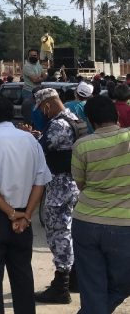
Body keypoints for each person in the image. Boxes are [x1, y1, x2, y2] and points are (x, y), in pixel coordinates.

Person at [0, 94, 52, 314]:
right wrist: (26, 215)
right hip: (23, 216)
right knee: (22, 276)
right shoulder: (29, 140)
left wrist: (10, 213)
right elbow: (40, 182)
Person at [71, 96, 130, 313]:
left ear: (90, 120)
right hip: (124, 225)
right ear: (116, 116)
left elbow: (80, 183)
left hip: (86, 222)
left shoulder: (82, 146)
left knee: (92, 287)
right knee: (122, 284)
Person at [31, 89, 82, 304]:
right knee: (70, 231)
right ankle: (74, 278)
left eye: (42, 109)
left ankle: (60, 287)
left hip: (60, 187)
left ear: (48, 105)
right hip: (74, 184)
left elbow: (39, 150)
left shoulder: (58, 125)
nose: (42, 113)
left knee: (58, 233)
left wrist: (31, 138)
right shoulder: (73, 118)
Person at [22, 49, 46, 125]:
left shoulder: (38, 64)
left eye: (35, 55)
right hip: (29, 92)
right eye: (31, 55)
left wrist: (39, 78)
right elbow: (34, 80)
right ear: (28, 56)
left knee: (38, 114)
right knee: (30, 115)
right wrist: (40, 77)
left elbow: (45, 76)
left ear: (38, 56)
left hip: (38, 92)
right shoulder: (27, 66)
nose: (33, 57)